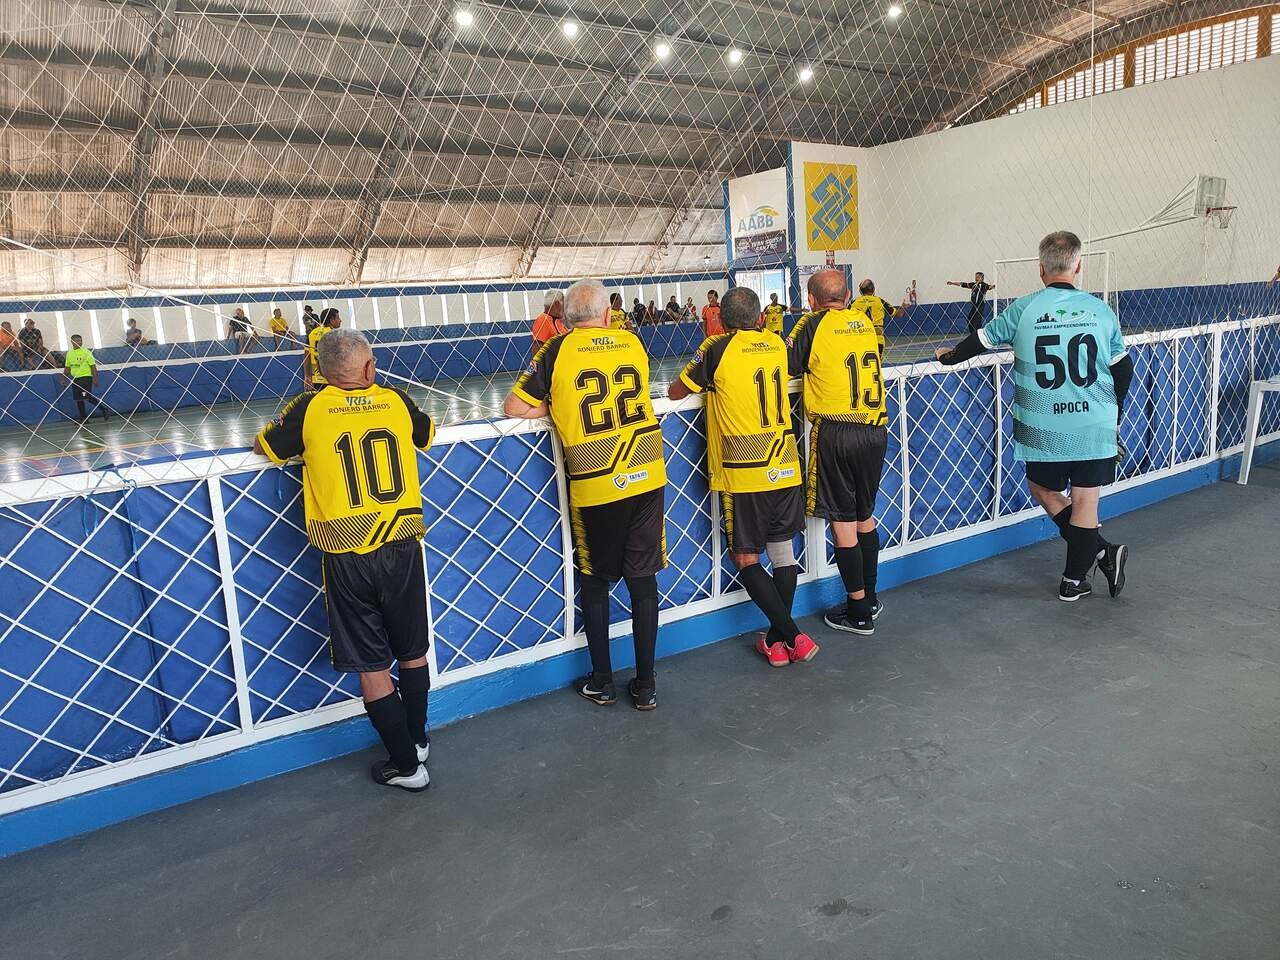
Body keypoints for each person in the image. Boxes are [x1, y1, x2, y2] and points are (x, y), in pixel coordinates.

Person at [254, 329, 435, 791]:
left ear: (319, 371)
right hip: (401, 542)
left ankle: (407, 767)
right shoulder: (394, 400)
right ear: (370, 368)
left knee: (373, 665)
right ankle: (417, 740)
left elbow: (265, 446)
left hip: (347, 553)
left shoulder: (310, 407)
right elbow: (427, 433)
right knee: (412, 650)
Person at [935, 230, 1133, 601]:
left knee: (1043, 489)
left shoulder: (1024, 308)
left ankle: (1097, 556)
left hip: (1043, 424)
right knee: (1086, 501)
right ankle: (1078, 576)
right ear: (1078, 267)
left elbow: (980, 340)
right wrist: (1114, 419)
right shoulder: (1100, 310)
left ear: (1041, 269)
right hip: (1094, 422)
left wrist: (950, 357)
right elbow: (1122, 368)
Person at [503, 279, 666, 711]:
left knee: (595, 582)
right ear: (608, 314)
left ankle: (603, 681)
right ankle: (645, 685)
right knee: (643, 582)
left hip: (597, 480)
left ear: (564, 320)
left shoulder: (556, 350)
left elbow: (513, 406)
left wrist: (557, 405)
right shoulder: (631, 343)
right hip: (646, 471)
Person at [668, 287, 817, 667]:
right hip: (784, 460)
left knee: (746, 557)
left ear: (719, 319)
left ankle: (792, 636)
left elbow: (675, 391)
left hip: (744, 469)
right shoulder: (776, 344)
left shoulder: (716, 348)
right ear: (760, 317)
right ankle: (778, 641)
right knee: (783, 554)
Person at [787, 269, 887, 636]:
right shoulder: (863, 322)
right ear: (846, 298)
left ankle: (858, 610)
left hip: (837, 430)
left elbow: (789, 364)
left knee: (843, 524)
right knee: (865, 517)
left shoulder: (812, 324)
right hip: (875, 428)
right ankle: (870, 598)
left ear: (811, 300)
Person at [851, 279, 908, 356]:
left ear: (860, 291)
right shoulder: (879, 301)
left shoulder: (854, 303)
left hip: (860, 338)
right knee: (877, 361)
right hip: (877, 338)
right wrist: (903, 308)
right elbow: (898, 314)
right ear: (873, 290)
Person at [63, 334, 108, 422]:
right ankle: (84, 418)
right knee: (78, 399)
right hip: (76, 379)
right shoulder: (69, 353)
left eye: (81, 340)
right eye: (77, 340)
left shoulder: (86, 352)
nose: (80, 342)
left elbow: (92, 366)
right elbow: (67, 367)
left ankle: (104, 409)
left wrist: (95, 378)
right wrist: (63, 378)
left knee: (86, 396)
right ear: (72, 342)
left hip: (85, 378)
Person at [303, 307, 341, 390]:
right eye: (338, 318)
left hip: (317, 378)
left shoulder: (312, 333)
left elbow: (306, 357)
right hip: (332, 378)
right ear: (332, 320)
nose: (340, 320)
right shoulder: (334, 334)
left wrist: (307, 376)